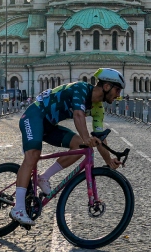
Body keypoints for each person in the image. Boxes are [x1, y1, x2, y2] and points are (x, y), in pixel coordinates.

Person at [10, 68, 126, 226]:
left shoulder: (98, 108)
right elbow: (78, 115)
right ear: (106, 87)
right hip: (34, 115)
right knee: (33, 155)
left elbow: (100, 138)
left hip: (49, 125)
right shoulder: (81, 89)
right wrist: (86, 138)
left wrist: (109, 160)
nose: (118, 94)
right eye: (117, 89)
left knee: (79, 146)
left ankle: (43, 177)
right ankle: (18, 208)